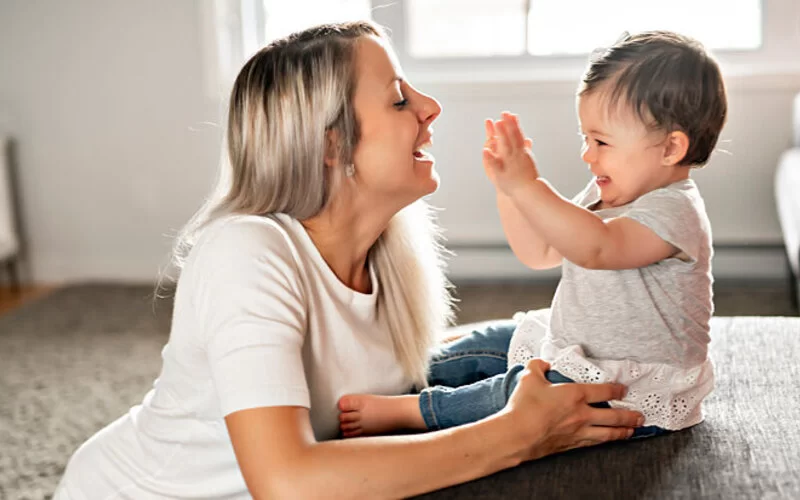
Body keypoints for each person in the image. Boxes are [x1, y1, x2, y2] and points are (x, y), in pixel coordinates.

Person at [54, 21, 643, 499]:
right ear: (331, 142)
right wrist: (517, 434)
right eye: (398, 99)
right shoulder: (245, 252)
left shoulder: (389, 255)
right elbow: (287, 482)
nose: (430, 107)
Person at [340, 31, 726, 440]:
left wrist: (530, 185)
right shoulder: (605, 195)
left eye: (601, 141)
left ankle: (415, 410)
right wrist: (510, 191)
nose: (587, 154)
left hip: (625, 387)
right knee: (493, 341)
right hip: (577, 350)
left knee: (515, 394)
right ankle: (398, 374)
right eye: (585, 138)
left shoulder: (674, 211)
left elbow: (599, 247)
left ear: (670, 149)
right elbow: (540, 251)